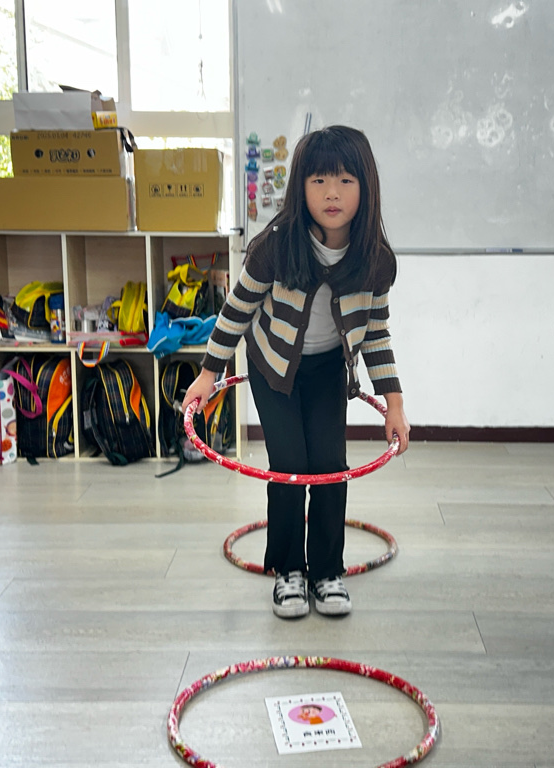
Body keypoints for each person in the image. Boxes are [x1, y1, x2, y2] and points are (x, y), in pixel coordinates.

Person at [182, 125, 410, 619]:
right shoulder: (277, 246)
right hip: (272, 367)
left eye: (346, 181)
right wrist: (208, 373)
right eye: (319, 180)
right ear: (301, 187)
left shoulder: (374, 260)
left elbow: (376, 334)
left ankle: (326, 571)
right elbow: (236, 311)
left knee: (328, 466)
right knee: (289, 465)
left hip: (328, 369)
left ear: (366, 187)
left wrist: (394, 405)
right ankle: (288, 570)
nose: (332, 193)